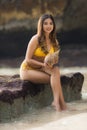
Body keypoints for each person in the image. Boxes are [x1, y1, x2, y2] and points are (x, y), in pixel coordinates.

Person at [20, 14, 66, 111]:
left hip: (42, 68)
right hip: (28, 69)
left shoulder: (54, 41)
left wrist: (51, 62)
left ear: (53, 25)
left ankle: (59, 104)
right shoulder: (35, 39)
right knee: (55, 78)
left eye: (50, 23)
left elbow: (55, 60)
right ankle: (60, 104)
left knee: (56, 72)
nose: (48, 26)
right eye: (45, 23)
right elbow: (27, 59)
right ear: (41, 25)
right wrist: (42, 65)